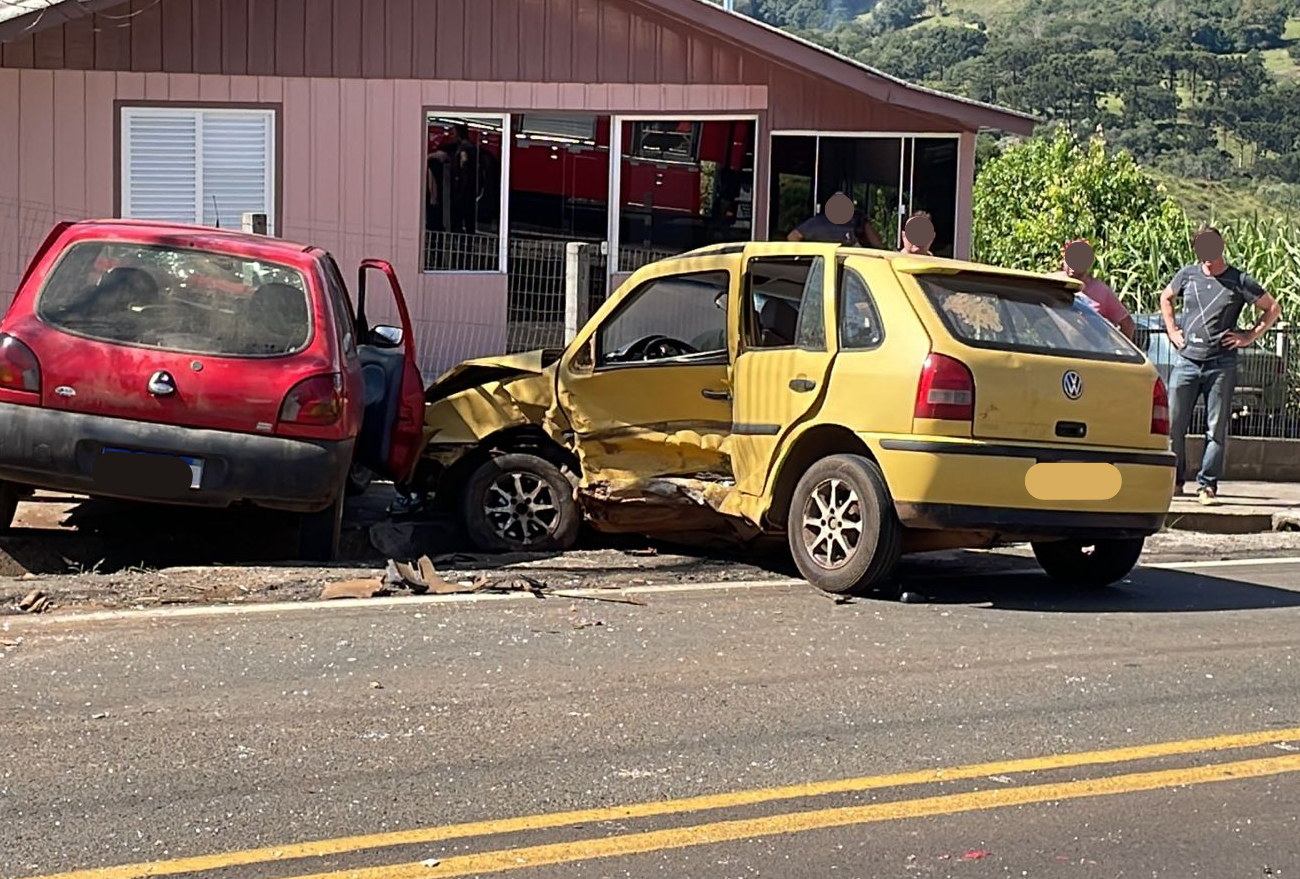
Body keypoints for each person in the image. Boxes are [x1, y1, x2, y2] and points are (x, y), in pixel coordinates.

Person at [1160, 226, 1281, 506]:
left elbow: (1272, 308)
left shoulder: (1239, 280)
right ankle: (1175, 481)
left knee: (1215, 428)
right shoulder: (1186, 275)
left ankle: (1207, 485)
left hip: (1221, 364)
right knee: (1174, 425)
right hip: (1187, 360)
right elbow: (1166, 297)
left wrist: (1249, 336)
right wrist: (1172, 330)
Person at [1057, 238, 1135, 341]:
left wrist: (1118, 352)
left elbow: (1127, 324)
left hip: (1088, 352)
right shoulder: (1053, 283)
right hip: (1054, 349)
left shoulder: (1101, 291)